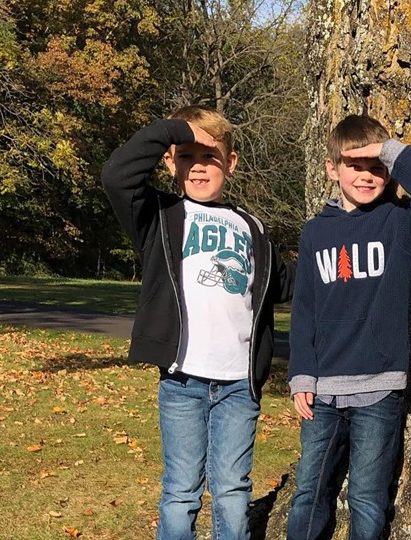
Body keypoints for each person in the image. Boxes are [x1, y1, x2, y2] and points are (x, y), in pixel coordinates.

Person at [100, 104, 293, 539]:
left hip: (239, 384)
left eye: (210, 156)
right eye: (187, 156)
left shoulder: (252, 226)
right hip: (182, 380)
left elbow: (281, 283)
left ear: (231, 163)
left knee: (232, 490)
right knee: (181, 490)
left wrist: (337, 257)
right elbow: (116, 175)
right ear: (170, 162)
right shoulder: (160, 215)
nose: (199, 166)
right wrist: (175, 130)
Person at [286, 114, 411, 540]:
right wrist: (301, 374)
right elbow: (304, 310)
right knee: (309, 491)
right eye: (353, 165)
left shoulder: (399, 224)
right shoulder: (314, 233)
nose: (366, 175)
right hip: (322, 390)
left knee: (367, 497)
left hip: (380, 387)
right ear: (332, 169)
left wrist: (389, 151)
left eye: (375, 167)